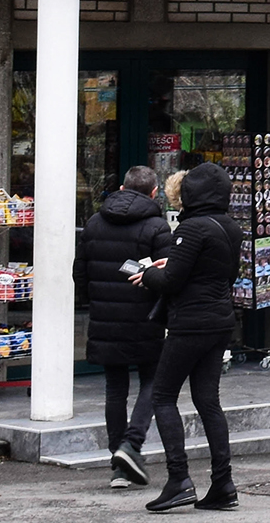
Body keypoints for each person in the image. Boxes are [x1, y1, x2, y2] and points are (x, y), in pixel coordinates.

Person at [130, 161, 240, 512]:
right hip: (221, 321)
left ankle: (178, 479)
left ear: (191, 193)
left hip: (190, 323)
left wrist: (147, 273)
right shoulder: (230, 227)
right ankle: (223, 483)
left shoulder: (191, 228)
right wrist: (171, 264)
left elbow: (172, 281)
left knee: (162, 396)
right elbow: (223, 273)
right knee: (208, 401)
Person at [75, 166, 173, 490]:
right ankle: (131, 445)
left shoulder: (93, 223)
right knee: (153, 381)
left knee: (115, 389)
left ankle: (118, 463)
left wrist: (94, 303)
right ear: (154, 193)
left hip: (105, 318)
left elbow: (81, 274)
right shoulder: (158, 227)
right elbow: (168, 278)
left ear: (120, 187)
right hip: (146, 319)